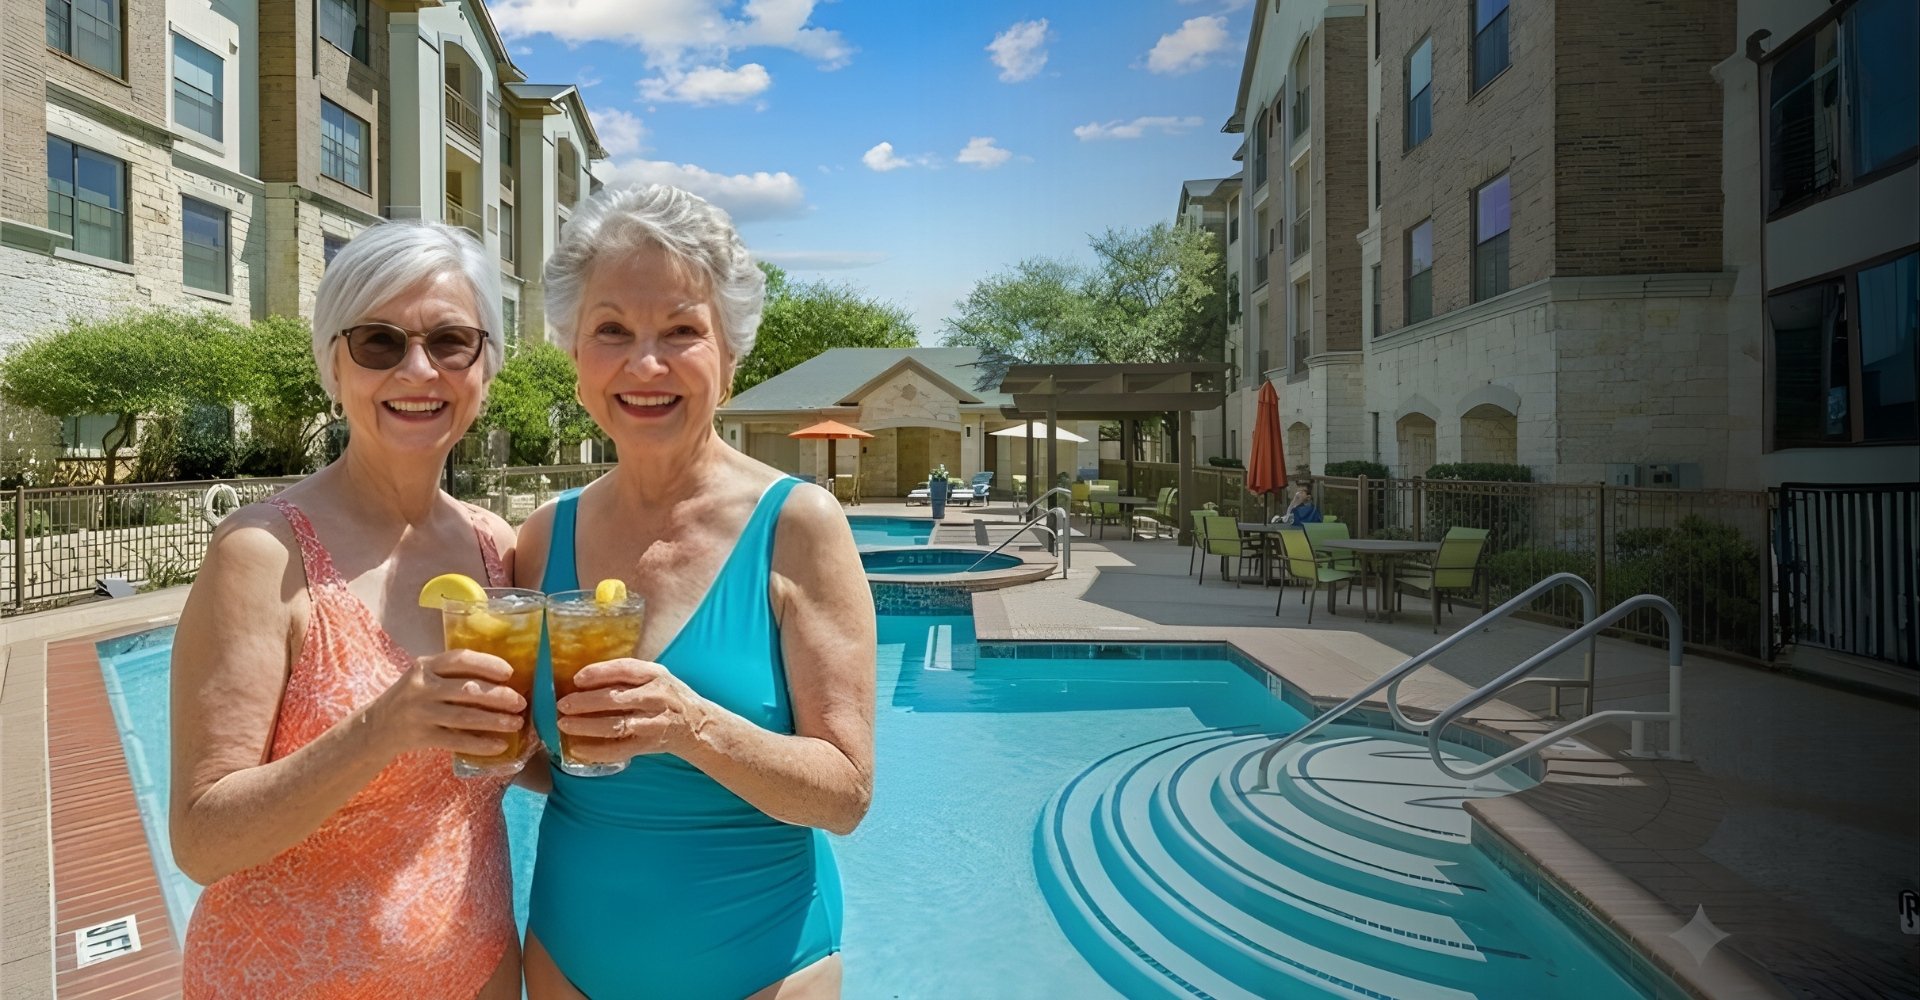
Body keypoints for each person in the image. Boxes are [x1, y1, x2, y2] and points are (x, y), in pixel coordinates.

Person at [516, 185, 875, 1000]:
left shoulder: (799, 526)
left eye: (682, 330)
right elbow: (550, 762)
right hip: (565, 961)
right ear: (575, 355)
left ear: (731, 354)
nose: (646, 365)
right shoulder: (540, 538)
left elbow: (846, 796)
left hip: (765, 969)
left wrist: (691, 725)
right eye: (611, 330)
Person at [169, 221, 526, 999]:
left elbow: (509, 759)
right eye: (378, 342)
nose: (418, 369)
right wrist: (381, 728)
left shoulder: (496, 550)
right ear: (334, 365)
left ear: (486, 365)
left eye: (451, 341)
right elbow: (201, 841)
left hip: (478, 968)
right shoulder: (264, 555)